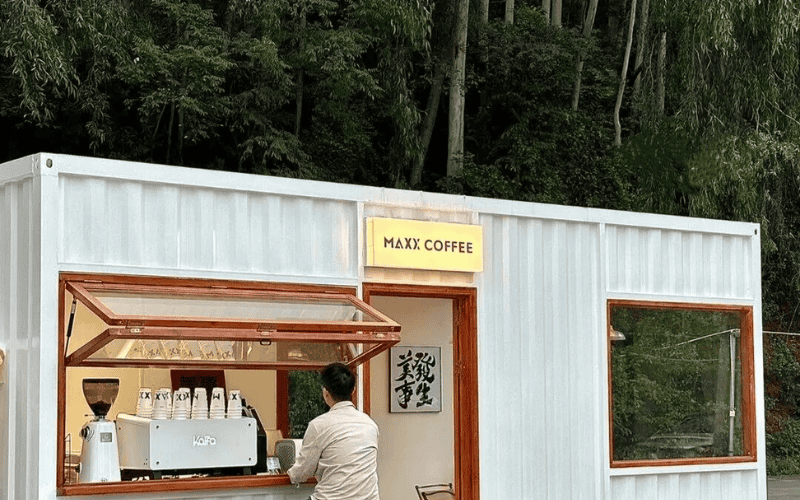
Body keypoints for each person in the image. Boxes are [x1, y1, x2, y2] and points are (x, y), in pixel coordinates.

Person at [288, 362, 380, 500]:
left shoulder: (319, 426)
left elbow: (301, 473)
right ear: (353, 390)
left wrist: (289, 471)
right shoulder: (370, 425)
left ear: (325, 392)